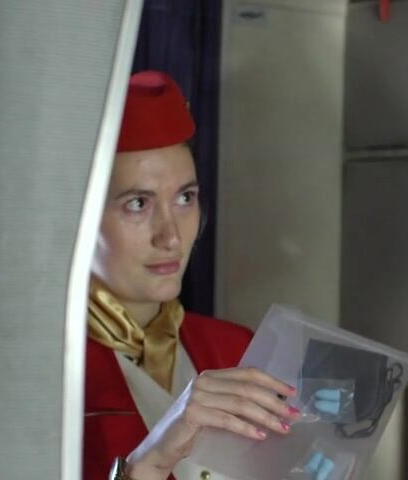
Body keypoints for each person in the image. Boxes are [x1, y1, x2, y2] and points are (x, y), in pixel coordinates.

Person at [84, 71, 300, 480]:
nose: (170, 237)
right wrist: (146, 465)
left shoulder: (240, 350)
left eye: (185, 198)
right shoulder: (31, 371)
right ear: (77, 215)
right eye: (137, 204)